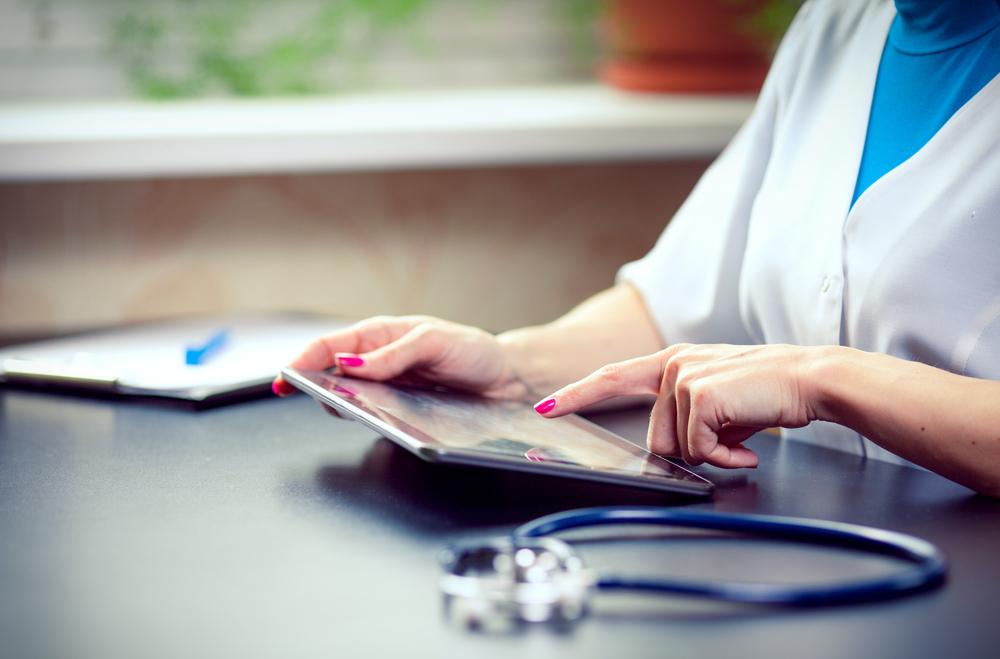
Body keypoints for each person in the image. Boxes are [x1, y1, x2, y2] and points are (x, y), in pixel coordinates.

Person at [274, 0, 1000, 496]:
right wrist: (512, 366)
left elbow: (798, 371)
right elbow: (680, 308)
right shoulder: (839, 24)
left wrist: (824, 377)